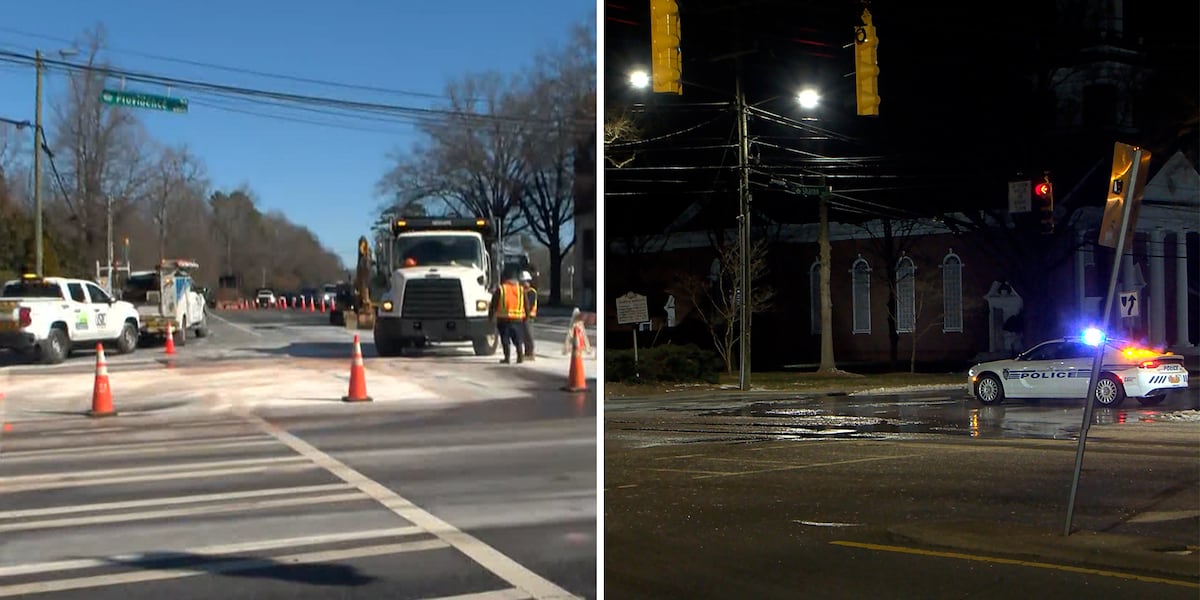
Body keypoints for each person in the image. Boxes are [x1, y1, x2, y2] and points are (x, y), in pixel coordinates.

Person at [491, 268, 525, 364]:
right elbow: (526, 305)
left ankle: (507, 358)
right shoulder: (520, 289)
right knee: (518, 339)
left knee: (505, 339)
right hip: (518, 319)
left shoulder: (501, 289)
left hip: (503, 319)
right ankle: (520, 357)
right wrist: (525, 317)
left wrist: (491, 316)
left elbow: (493, 304)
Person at [519, 270, 537, 361]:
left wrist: (526, 313)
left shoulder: (531, 292)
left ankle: (530, 353)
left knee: (528, 334)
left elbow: (529, 305)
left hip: (529, 316)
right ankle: (527, 352)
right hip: (522, 316)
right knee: (524, 335)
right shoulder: (522, 291)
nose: (522, 284)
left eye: (524, 282)